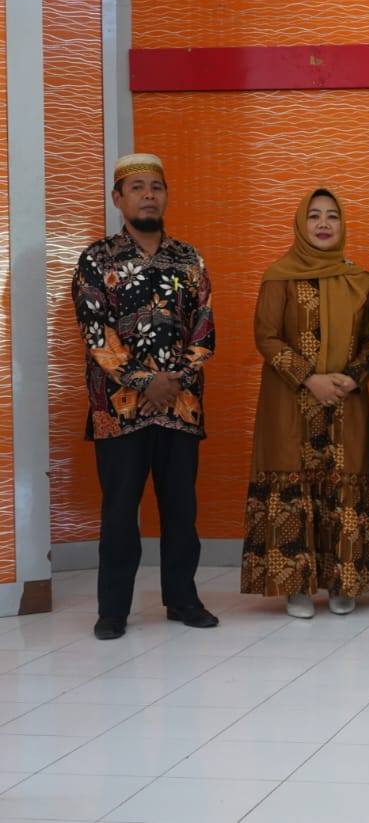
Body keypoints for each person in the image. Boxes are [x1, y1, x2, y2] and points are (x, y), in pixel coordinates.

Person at [72, 153, 218, 640]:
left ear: (166, 196)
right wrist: (143, 382)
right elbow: (96, 334)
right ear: (118, 199)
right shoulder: (97, 259)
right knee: (119, 512)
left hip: (181, 404)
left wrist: (173, 380)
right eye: (136, 188)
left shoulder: (189, 259)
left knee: (181, 510)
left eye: (156, 187)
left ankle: (183, 600)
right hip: (118, 410)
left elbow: (204, 328)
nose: (148, 195)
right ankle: (113, 610)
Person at [240, 188, 369, 618]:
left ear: (343, 225)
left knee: (344, 479)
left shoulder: (360, 280)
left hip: (345, 400)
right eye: (314, 216)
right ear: (301, 224)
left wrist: (350, 378)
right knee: (293, 479)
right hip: (290, 400)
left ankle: (344, 581)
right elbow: (266, 336)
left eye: (332, 216)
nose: (323, 224)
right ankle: (295, 586)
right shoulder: (279, 276)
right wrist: (309, 378)